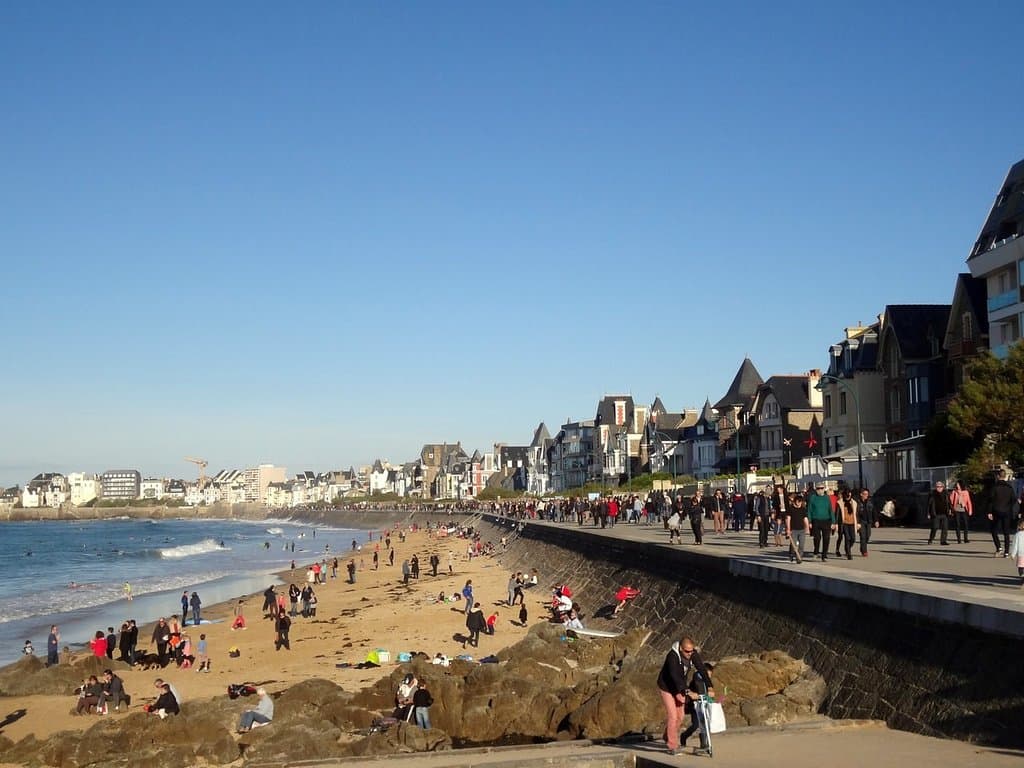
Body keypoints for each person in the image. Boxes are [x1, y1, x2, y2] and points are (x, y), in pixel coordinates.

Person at [656, 635, 714, 756]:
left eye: (691, 650)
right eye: (687, 651)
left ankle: (667, 735)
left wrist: (710, 687)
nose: (690, 653)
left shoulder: (692, 653)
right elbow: (675, 677)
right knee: (673, 716)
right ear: (681, 649)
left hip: (680, 687)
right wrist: (688, 692)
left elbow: (702, 670)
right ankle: (672, 746)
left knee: (680, 716)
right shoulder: (672, 657)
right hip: (667, 687)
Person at [990, 470, 1016, 557]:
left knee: (994, 530)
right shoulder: (1009, 487)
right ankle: (1007, 552)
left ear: (998, 476)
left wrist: (989, 511)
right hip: (1007, 511)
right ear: (1005, 476)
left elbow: (991, 500)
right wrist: (1009, 506)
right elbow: (1014, 499)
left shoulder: (995, 487)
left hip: (996, 511)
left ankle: (999, 547)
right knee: (1006, 532)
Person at [808, 483, 835, 561]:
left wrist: (833, 522)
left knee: (826, 538)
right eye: (818, 488)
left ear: (824, 489)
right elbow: (809, 510)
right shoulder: (813, 497)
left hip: (826, 520)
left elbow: (831, 510)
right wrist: (809, 521)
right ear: (816, 489)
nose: (820, 490)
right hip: (816, 520)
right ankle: (816, 552)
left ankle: (824, 554)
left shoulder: (827, 498)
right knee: (817, 538)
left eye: (821, 488)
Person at [835, 488, 858, 560]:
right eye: (847, 494)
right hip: (844, 523)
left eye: (849, 494)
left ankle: (847, 548)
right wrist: (835, 523)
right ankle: (848, 553)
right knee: (847, 538)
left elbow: (857, 514)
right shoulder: (840, 503)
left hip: (852, 523)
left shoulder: (854, 503)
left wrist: (858, 523)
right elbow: (837, 514)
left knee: (853, 539)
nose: (848, 495)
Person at [927, 481, 951, 546]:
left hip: (944, 514)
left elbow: (949, 503)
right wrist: (928, 513)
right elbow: (929, 505)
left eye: (940, 486)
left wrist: (950, 510)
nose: (939, 488)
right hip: (936, 514)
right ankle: (931, 539)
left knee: (945, 528)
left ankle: (943, 541)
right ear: (936, 487)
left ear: (943, 487)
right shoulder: (932, 494)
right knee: (935, 527)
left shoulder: (946, 493)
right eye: (937, 486)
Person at [857, 488, 878, 556]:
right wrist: (857, 522)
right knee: (863, 536)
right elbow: (856, 513)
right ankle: (864, 551)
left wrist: (876, 520)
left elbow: (874, 511)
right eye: (865, 494)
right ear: (861, 494)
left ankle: (862, 547)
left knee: (868, 535)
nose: (866, 496)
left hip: (869, 521)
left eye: (867, 494)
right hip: (861, 521)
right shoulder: (857, 502)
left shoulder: (870, 501)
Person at [1009, 518, 1024, 588]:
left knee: (1020, 568)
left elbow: (1015, 545)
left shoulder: (1017, 535)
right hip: (1021, 554)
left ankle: (1023, 577)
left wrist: (1012, 554)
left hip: (1021, 554)